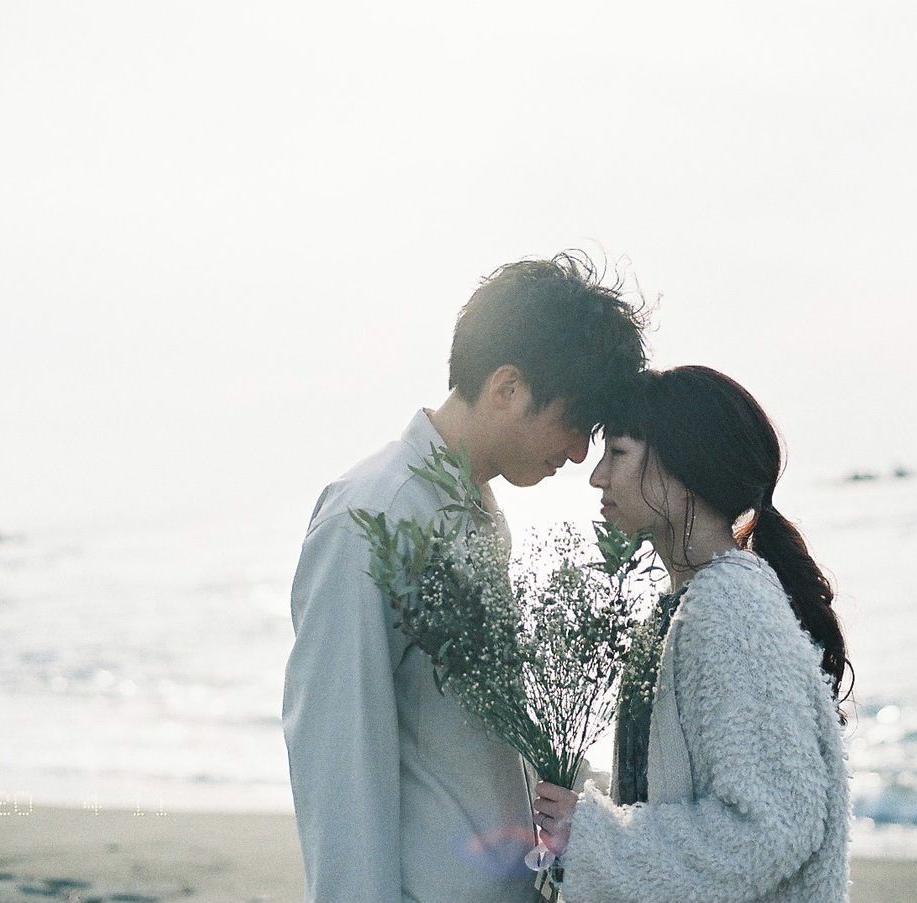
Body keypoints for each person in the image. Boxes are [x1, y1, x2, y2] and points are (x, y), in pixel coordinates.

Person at [282, 252, 647, 902]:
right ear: (507, 386)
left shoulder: (480, 511)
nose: (578, 451)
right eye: (572, 421)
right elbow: (337, 757)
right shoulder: (374, 512)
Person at [532, 365, 853, 902]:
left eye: (619, 453)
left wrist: (590, 835)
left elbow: (772, 829)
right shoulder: (686, 605)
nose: (597, 477)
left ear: (682, 469)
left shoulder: (731, 607)